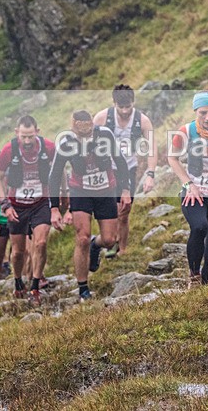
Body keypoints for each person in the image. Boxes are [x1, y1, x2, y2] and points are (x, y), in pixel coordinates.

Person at [49, 110, 131, 301]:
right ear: (73, 128)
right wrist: (54, 208)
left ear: (92, 126)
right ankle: (83, 287)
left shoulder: (105, 135)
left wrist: (125, 190)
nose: (84, 135)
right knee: (82, 238)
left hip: (105, 190)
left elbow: (120, 161)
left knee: (110, 240)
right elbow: (54, 175)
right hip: (80, 191)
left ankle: (97, 245)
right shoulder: (66, 143)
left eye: (87, 131)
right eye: (80, 133)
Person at [167, 91, 208, 287]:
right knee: (199, 227)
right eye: (203, 113)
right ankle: (194, 275)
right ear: (196, 112)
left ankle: (206, 281)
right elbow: (172, 158)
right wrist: (188, 184)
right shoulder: (185, 131)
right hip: (195, 191)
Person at [0, 115, 56, 305]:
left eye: (30, 136)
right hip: (17, 205)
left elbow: (59, 172)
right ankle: (18, 280)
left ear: (37, 131)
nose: (27, 141)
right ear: (16, 133)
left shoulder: (49, 148)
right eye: (23, 137)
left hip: (41, 202)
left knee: (41, 242)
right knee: (19, 252)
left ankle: (35, 285)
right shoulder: (9, 149)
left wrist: (60, 202)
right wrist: (5, 205)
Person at [93, 84, 157, 258]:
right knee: (111, 209)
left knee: (125, 209)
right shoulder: (101, 118)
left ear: (133, 102)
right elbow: (88, 145)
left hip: (129, 168)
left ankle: (122, 247)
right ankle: (110, 242)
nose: (124, 110)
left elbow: (152, 148)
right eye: (120, 107)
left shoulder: (142, 121)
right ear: (114, 103)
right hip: (107, 169)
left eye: (128, 106)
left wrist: (150, 174)